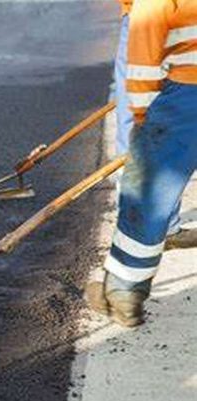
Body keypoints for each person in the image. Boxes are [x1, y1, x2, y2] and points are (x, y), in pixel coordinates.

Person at [87, 0, 197, 327]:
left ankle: (124, 292)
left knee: (146, 191)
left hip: (187, 91)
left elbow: (144, 51)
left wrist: (142, 115)